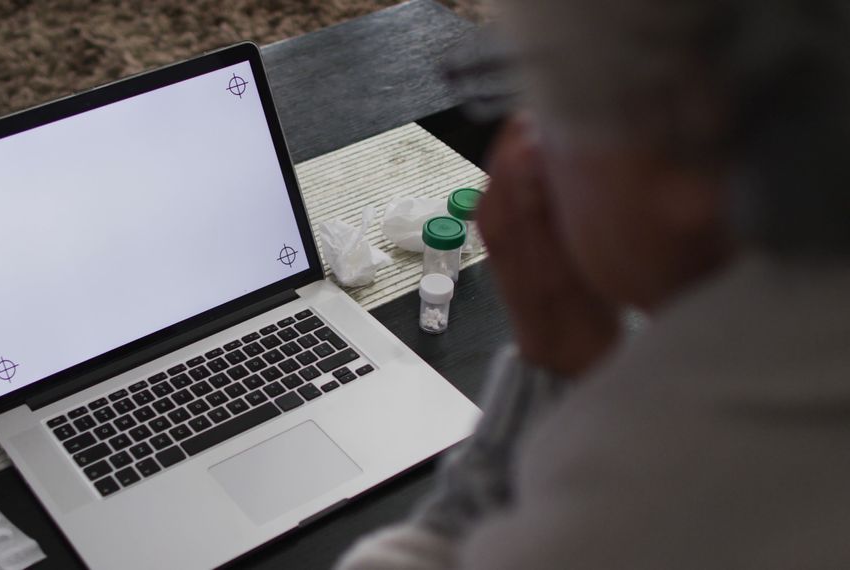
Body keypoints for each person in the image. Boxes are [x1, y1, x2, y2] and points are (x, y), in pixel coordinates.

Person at [337, 0, 850, 568]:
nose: (523, 146)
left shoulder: (644, 498)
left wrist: (550, 365)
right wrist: (559, 352)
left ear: (685, 164)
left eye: (539, 99)